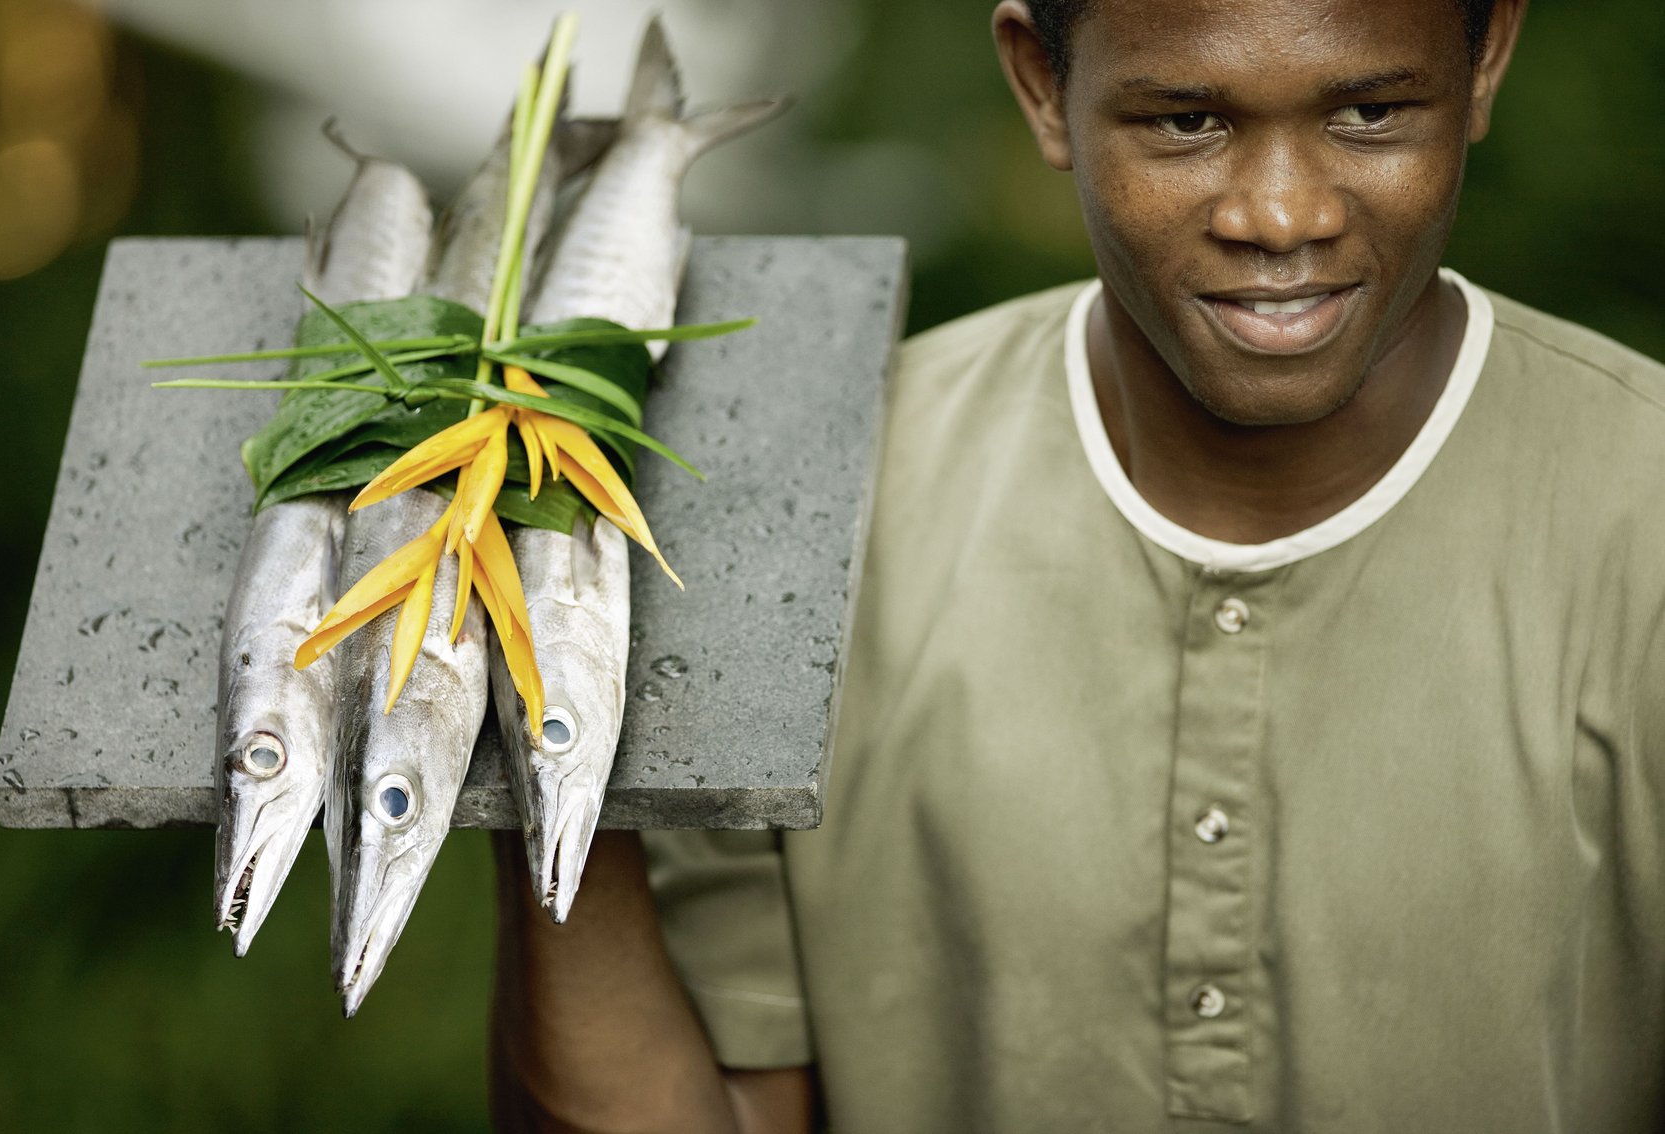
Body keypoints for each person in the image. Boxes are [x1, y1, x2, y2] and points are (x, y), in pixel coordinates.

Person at [489, 0, 1665, 1129]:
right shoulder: (804, 511)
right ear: (1044, 85)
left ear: (1487, 55)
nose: (1280, 213)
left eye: (1369, 113)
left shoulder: (1639, 517)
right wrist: (531, 696)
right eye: (1186, 121)